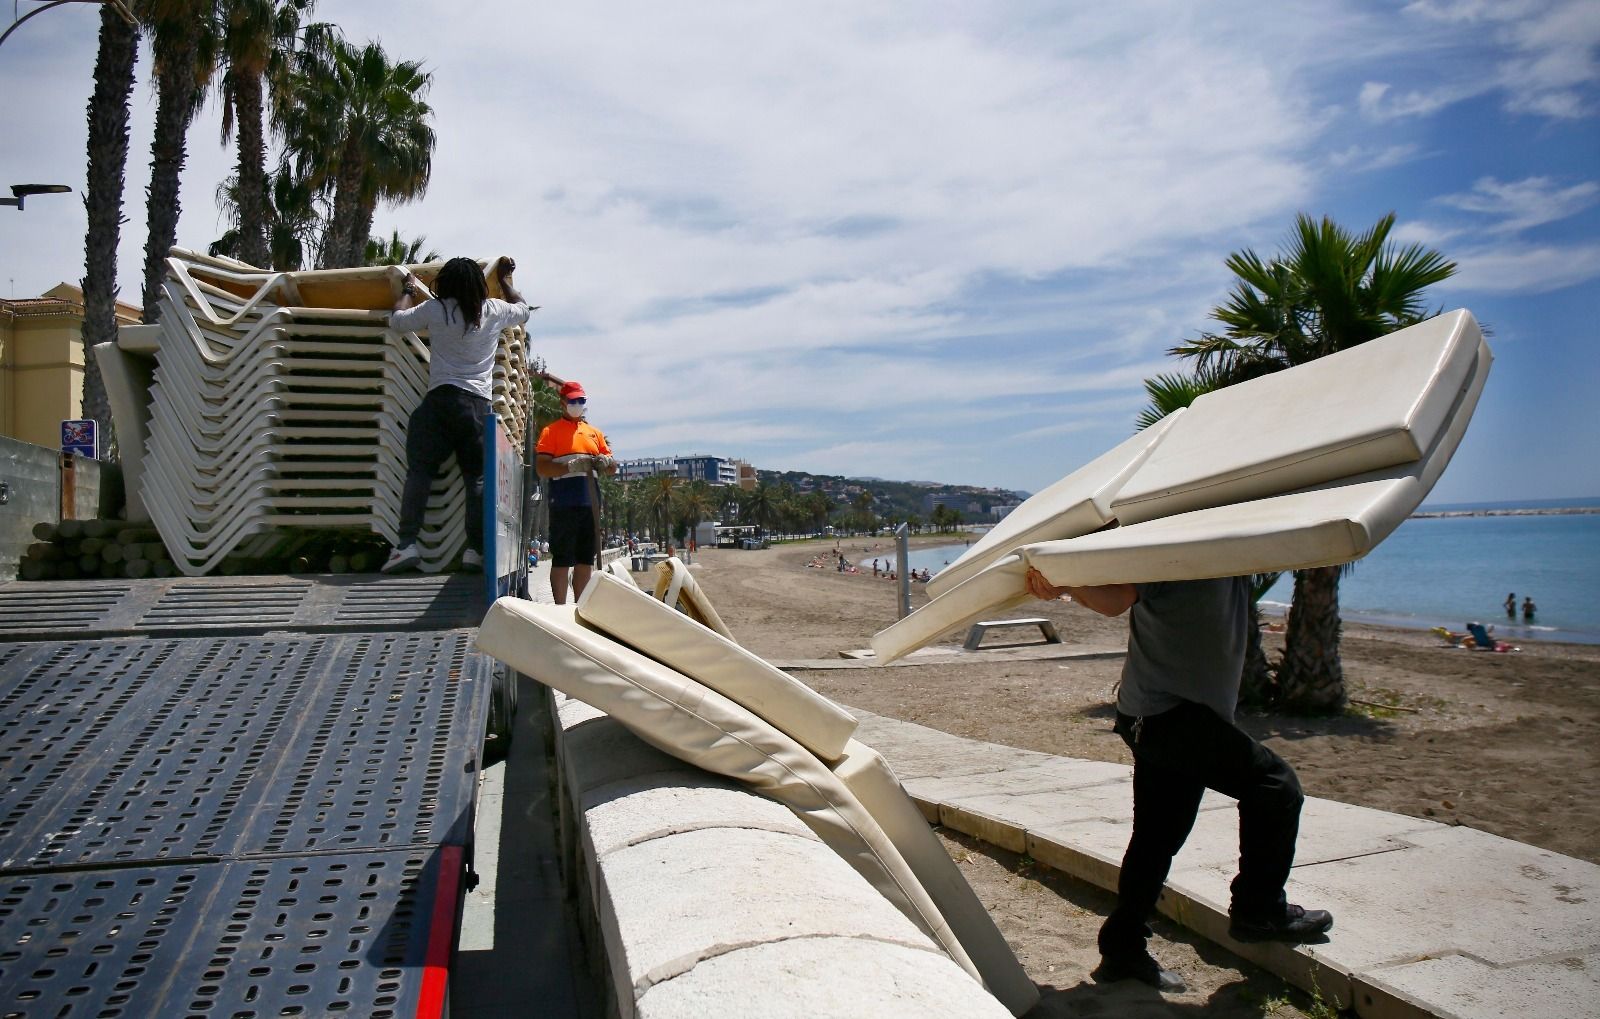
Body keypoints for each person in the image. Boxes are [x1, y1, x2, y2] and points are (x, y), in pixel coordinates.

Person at [1025, 568, 1332, 992]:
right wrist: (1064, 582)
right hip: (1167, 713)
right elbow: (1116, 599)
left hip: (1165, 713)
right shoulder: (1179, 548)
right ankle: (1259, 910)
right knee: (1275, 786)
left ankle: (1122, 947)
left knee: (1157, 837)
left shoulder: (1240, 548)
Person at [384, 257, 535, 574]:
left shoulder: (437, 310)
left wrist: (409, 290)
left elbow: (397, 322)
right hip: (477, 408)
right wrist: (506, 281)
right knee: (476, 479)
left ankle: (406, 545)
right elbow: (523, 310)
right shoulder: (492, 311)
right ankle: (474, 550)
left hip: (439, 401)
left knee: (420, 472)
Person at [535, 380, 616, 603]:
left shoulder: (594, 434)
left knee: (585, 559)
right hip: (562, 503)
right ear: (563, 402)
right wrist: (569, 466)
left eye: (581, 401)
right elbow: (542, 467)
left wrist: (605, 462)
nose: (577, 404)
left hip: (589, 503)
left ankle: (581, 606)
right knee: (562, 559)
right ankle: (561, 607)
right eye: (573, 401)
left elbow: (611, 468)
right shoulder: (551, 432)